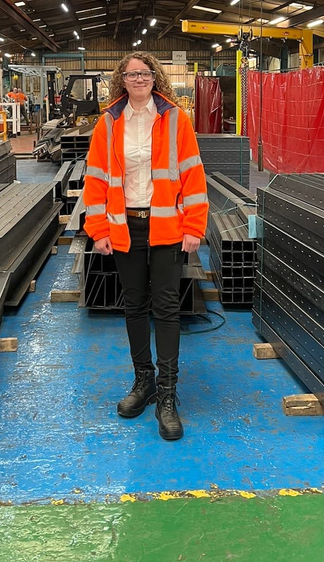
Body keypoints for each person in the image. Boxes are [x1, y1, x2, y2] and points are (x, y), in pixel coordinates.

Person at [83, 51, 208, 441]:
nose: (138, 79)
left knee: (167, 307)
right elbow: (96, 179)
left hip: (168, 228)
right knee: (135, 305)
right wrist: (97, 228)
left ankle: (168, 397)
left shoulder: (174, 119)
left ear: (155, 78)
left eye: (145, 73)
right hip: (126, 228)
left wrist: (195, 226)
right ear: (122, 79)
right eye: (131, 73)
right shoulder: (108, 123)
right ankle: (144, 383)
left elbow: (192, 174)